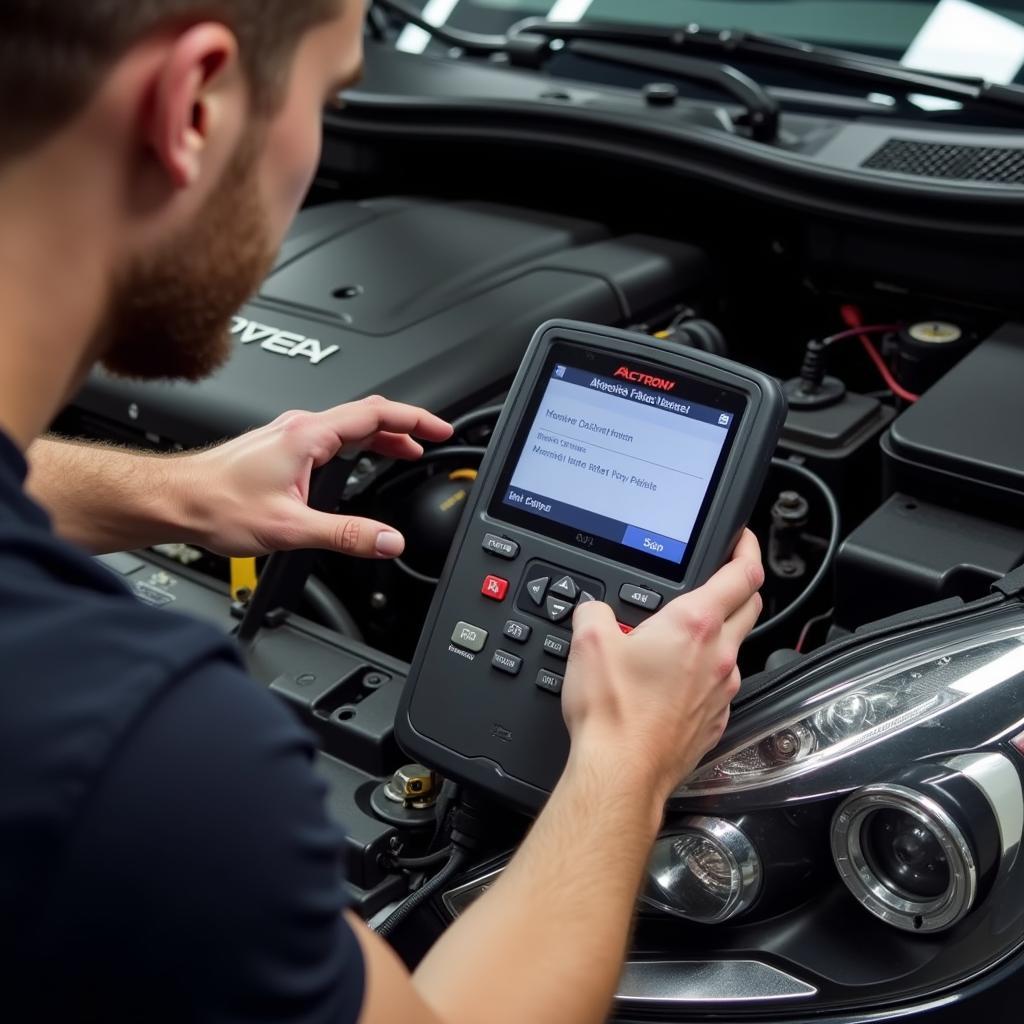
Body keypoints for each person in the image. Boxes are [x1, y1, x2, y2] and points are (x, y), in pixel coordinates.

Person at [0, 2, 764, 1022]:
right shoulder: (142, 752)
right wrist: (626, 766)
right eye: (330, 95)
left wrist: (173, 490)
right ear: (191, 105)